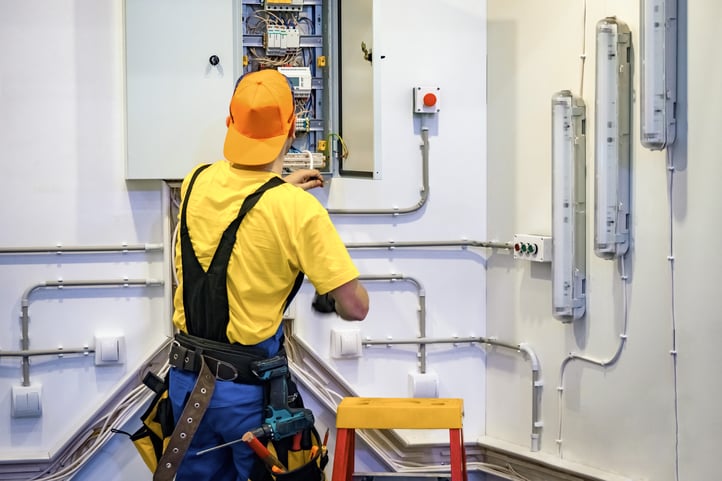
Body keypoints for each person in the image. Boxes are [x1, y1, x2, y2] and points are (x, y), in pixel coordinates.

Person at [167, 68, 369, 481]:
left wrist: (281, 188)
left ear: (230, 122)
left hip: (185, 386)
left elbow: (240, 203)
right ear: (293, 127)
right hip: (247, 397)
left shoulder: (196, 181)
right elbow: (356, 307)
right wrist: (287, 196)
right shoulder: (296, 209)